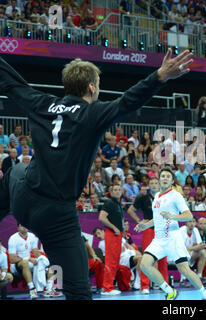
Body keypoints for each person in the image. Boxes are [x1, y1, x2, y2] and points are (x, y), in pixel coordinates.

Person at [0, 49, 193, 299]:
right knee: (78, 291)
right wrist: (159, 76)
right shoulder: (91, 113)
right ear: (92, 88)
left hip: (24, 195)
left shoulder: (42, 102)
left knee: (16, 169)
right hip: (56, 216)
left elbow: (11, 83)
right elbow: (128, 101)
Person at [135, 167, 206, 300]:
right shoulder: (156, 196)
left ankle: (205, 295)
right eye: (163, 176)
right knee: (144, 265)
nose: (165, 178)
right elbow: (159, 218)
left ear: (171, 181)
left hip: (173, 239)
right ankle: (170, 291)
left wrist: (172, 217)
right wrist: (146, 225)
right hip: (159, 239)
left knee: (184, 270)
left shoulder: (176, 196)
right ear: (159, 179)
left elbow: (188, 216)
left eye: (168, 177)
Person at [127, 177, 168, 294]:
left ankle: (164, 285)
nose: (154, 185)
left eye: (156, 183)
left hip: (161, 231)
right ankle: (144, 285)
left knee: (162, 259)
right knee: (147, 258)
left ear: (159, 184)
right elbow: (130, 210)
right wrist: (139, 221)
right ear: (149, 186)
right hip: (149, 230)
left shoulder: (164, 198)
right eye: (152, 183)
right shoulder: (144, 198)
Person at [8, 224, 62, 299]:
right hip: (17, 266)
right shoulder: (13, 238)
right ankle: (32, 290)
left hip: (29, 263)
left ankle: (48, 290)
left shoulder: (32, 236)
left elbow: (36, 253)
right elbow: (12, 259)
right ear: (18, 228)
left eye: (26, 225)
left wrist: (43, 260)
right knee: (25, 263)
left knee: (50, 266)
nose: (25, 227)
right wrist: (28, 258)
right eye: (22, 225)